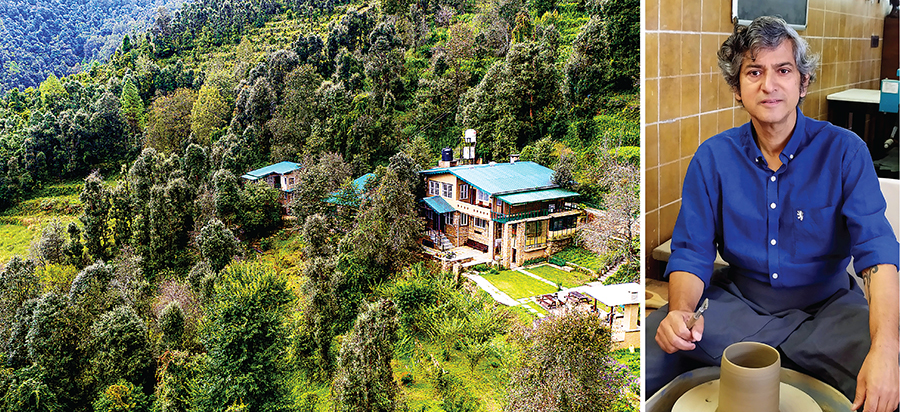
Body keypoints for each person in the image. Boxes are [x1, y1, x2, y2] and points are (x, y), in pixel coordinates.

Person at [645, 16, 900, 412]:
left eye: (783, 70)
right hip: (736, 306)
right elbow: (691, 253)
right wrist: (680, 312)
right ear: (736, 88)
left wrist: (885, 348)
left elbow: (878, 253)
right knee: (645, 356)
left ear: (803, 82)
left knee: (889, 380)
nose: (769, 85)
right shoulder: (713, 158)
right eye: (754, 72)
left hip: (829, 311)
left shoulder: (845, 151)